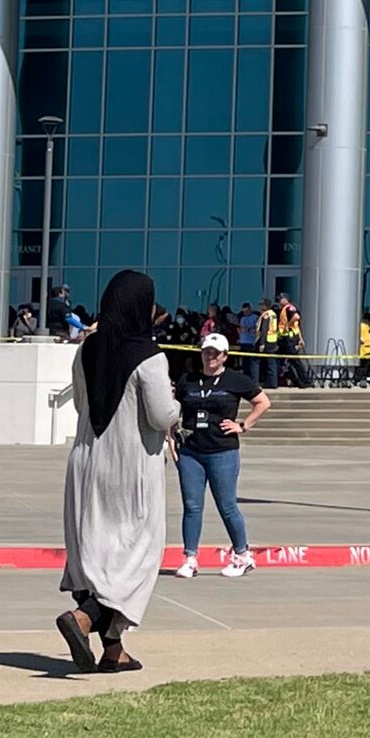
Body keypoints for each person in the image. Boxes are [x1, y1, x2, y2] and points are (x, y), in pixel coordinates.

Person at [56, 270, 178, 674]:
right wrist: (179, 411)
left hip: (88, 461)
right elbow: (161, 415)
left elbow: (80, 407)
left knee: (97, 552)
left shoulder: (85, 351)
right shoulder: (150, 355)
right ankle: (85, 618)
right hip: (131, 466)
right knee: (135, 553)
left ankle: (113, 649)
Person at [171, 331, 269, 579]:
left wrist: (243, 425)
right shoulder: (188, 381)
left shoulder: (235, 380)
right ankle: (190, 558)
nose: (209, 357)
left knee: (227, 505)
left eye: (215, 353)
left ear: (225, 356)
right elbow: (172, 410)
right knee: (192, 506)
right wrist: (170, 439)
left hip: (222, 451)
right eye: (206, 352)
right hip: (191, 451)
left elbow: (262, 402)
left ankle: (242, 555)